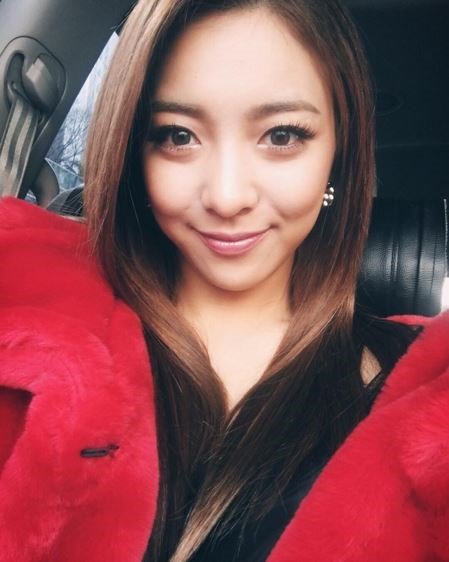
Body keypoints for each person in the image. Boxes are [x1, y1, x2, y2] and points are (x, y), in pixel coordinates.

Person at [0, 0, 448, 561]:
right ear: (135, 153)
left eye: (282, 135)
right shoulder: (31, 324)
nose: (227, 197)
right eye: (178, 136)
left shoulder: (428, 397)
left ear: (338, 153)